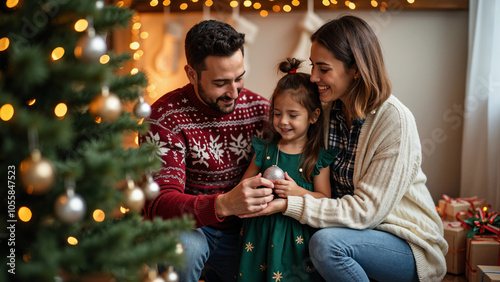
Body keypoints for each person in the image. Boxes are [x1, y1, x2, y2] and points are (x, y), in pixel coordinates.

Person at [240, 15, 448, 282]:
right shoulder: (325, 110)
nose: (313, 77)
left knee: (326, 244)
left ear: (356, 69)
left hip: (403, 241)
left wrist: (288, 204)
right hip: (350, 232)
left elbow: (365, 213)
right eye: (313, 66)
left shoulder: (394, 120)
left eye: (323, 69)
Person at [139, 20, 274, 282]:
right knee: (188, 249)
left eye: (239, 78)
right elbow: (158, 203)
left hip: (245, 233)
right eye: (221, 83)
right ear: (192, 74)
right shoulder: (164, 118)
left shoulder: (262, 110)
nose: (233, 93)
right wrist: (223, 204)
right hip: (189, 230)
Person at [237, 58, 338, 282]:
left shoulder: (316, 158)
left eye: (293, 115)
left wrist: (297, 191)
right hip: (259, 233)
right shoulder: (264, 150)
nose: (283, 121)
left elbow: (325, 200)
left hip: (296, 239)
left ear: (313, 116)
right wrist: (258, 187)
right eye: (277, 113)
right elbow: (244, 186)